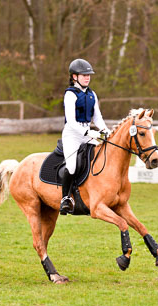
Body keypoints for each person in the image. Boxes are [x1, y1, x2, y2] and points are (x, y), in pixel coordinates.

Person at [60, 58, 111, 214]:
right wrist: (89, 132)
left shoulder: (92, 94)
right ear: (74, 76)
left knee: (103, 155)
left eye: (89, 74)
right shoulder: (70, 94)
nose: (87, 77)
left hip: (88, 133)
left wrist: (106, 130)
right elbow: (71, 121)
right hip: (72, 134)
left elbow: (97, 118)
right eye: (84, 75)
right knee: (72, 166)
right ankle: (65, 199)